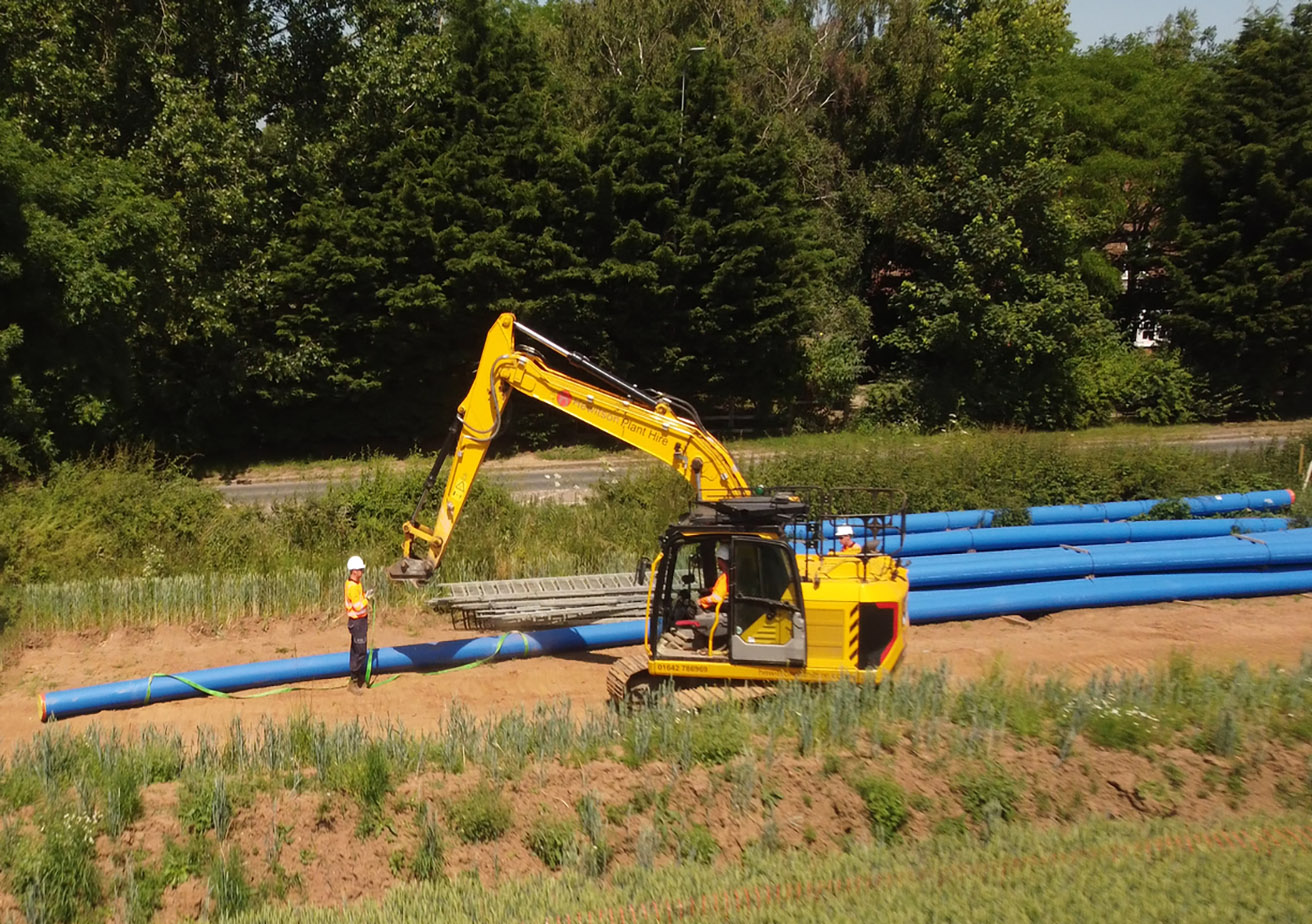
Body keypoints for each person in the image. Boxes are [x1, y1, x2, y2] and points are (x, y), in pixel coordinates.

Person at [344, 555, 372, 693]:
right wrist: (367, 599)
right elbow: (358, 606)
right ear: (354, 571)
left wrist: (365, 595)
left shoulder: (356, 584)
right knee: (359, 651)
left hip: (360, 621)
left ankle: (358, 676)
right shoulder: (352, 587)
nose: (362, 572)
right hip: (357, 622)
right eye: (361, 569)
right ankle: (354, 681)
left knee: (358, 648)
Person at [698, 543, 731, 614]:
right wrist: (709, 589)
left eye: (718, 559)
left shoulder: (725, 577)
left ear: (721, 560)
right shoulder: (729, 575)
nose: (717, 562)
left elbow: (716, 598)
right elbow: (723, 591)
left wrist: (700, 601)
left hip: (721, 609)